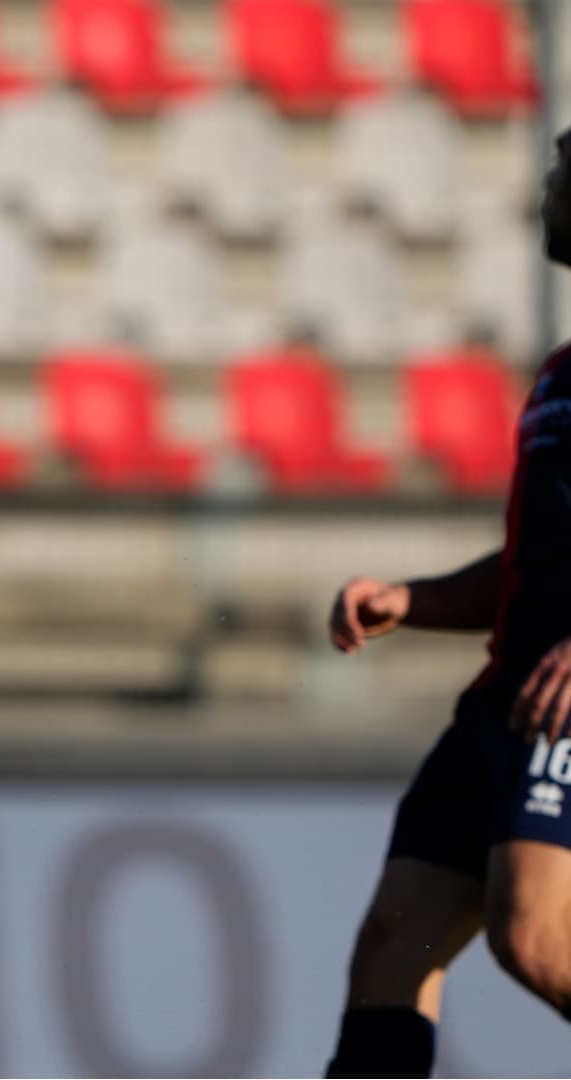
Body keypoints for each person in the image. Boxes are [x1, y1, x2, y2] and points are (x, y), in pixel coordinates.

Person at [322, 128, 571, 1077]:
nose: (550, 181)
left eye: (567, 164)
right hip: (503, 699)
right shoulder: (560, 372)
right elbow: (537, 560)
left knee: (538, 942)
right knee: (394, 949)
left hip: (559, 704)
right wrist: (411, 600)